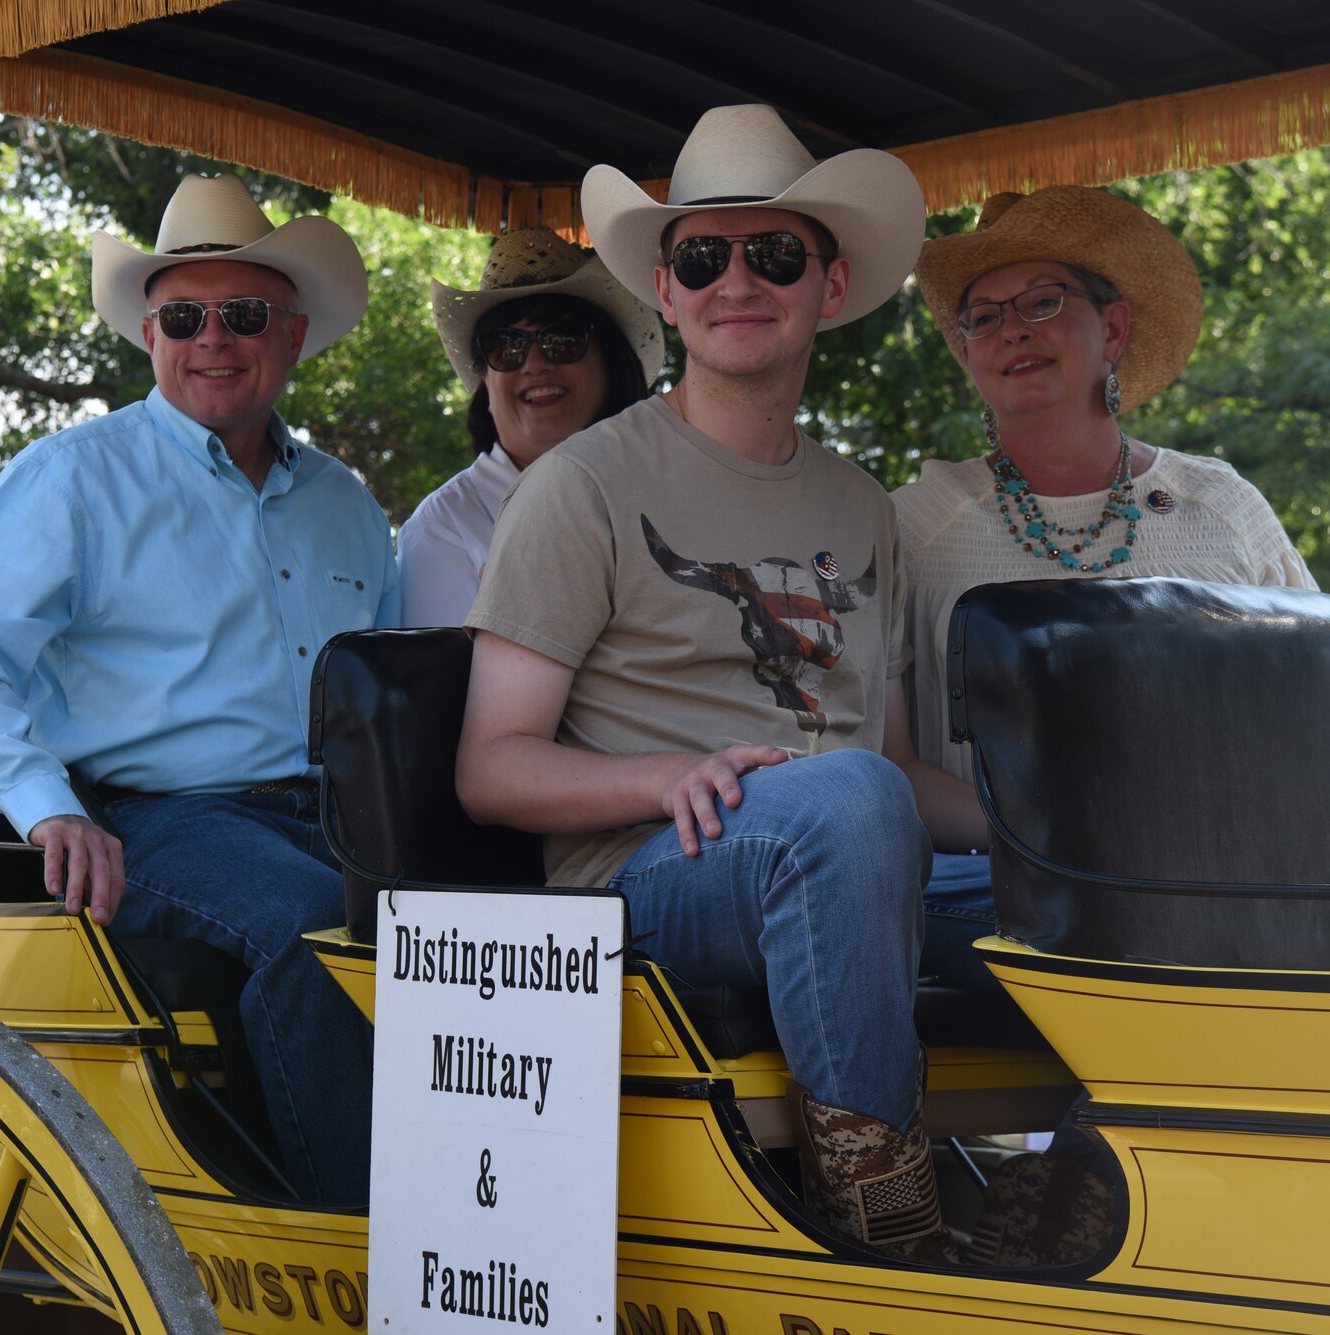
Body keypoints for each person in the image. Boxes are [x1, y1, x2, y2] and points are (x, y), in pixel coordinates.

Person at [453, 104, 961, 1262]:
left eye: (773, 253)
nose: (738, 279)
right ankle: (886, 1227)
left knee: (1095, 892)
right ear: (668, 293)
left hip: (844, 842)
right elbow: (490, 768)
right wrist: (667, 774)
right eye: (701, 257)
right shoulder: (579, 486)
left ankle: (1098, 1197)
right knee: (842, 809)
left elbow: (883, 765)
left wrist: (1053, 835)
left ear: (828, 287)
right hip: (643, 886)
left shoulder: (857, 503)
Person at [0, 173, 396, 1205]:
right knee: (312, 932)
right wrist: (45, 806)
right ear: (150, 336)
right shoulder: (74, 477)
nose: (213, 338)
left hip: (344, 822)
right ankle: (376, 1261)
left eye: (243, 316)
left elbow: (389, 695)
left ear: (291, 337)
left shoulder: (347, 506)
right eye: (183, 317)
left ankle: (514, 1251)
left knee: (514, 933)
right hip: (166, 822)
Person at [895, 186, 1317, 994]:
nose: (1012, 327)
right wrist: (1060, 837)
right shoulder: (917, 526)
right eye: (983, 316)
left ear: (1113, 328)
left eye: (1043, 301)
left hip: (1222, 882)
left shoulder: (1221, 507)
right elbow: (887, 765)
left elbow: (1314, 714)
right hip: (1001, 899)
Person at [398, 229, 662, 625]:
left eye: (563, 339)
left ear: (611, 361)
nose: (534, 363)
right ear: (485, 380)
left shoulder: (663, 495)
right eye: (506, 346)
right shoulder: (444, 527)